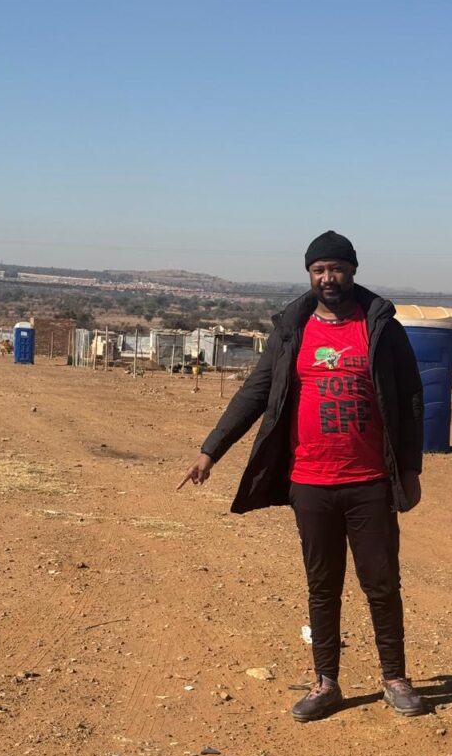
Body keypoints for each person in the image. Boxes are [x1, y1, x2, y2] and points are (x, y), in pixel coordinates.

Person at [180, 231, 425, 722]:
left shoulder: (381, 327)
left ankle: (395, 678)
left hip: (370, 481)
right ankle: (325, 682)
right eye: (318, 270)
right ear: (309, 275)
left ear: (352, 270)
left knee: (381, 582)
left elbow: (412, 400)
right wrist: (211, 450)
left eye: (336, 268)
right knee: (322, 586)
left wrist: (412, 469)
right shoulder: (293, 331)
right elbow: (255, 393)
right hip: (310, 482)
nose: (327, 278)